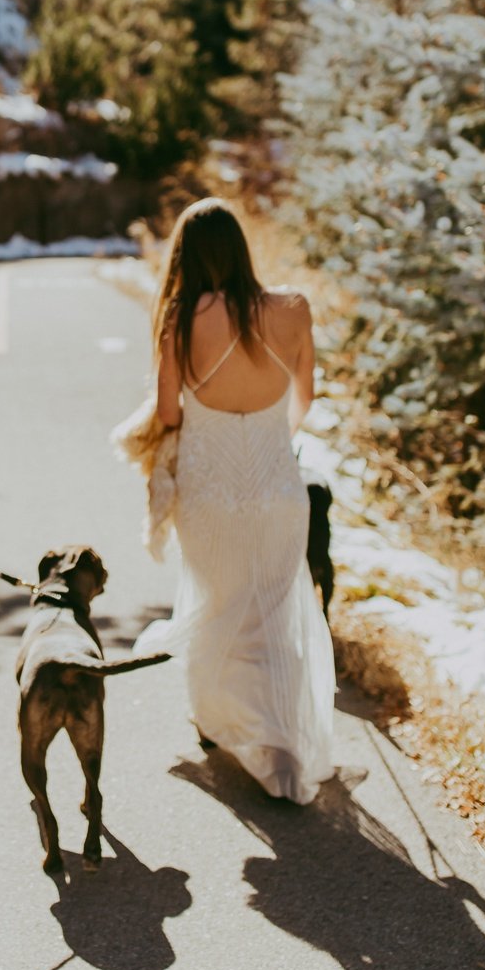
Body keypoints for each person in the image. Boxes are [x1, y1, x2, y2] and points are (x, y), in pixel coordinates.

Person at [137, 198, 335, 804]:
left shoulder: (179, 319)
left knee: (219, 605)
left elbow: (170, 413)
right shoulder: (294, 309)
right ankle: (282, 742)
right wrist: (268, 437)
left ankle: (221, 725)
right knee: (274, 614)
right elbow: (304, 400)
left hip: (210, 492)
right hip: (279, 489)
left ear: (188, 256)